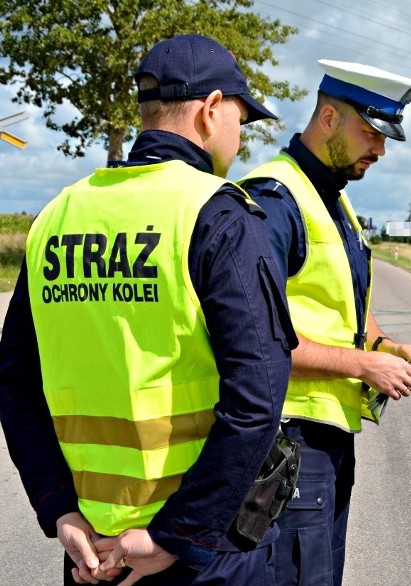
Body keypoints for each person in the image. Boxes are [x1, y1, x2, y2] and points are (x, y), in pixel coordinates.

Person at [0, 34, 298, 585]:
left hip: (93, 552)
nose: (240, 137)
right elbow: (257, 397)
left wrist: (59, 510)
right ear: (211, 111)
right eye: (240, 118)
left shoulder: (56, 216)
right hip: (200, 556)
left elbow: (15, 383)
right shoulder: (218, 215)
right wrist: (174, 537)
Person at [239, 59, 411, 585]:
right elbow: (255, 339)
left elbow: (344, 308)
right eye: (370, 133)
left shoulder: (332, 200)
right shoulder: (275, 199)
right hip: (284, 437)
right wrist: (363, 365)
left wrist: (386, 345)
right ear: (327, 118)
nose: (381, 150)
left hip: (324, 440)